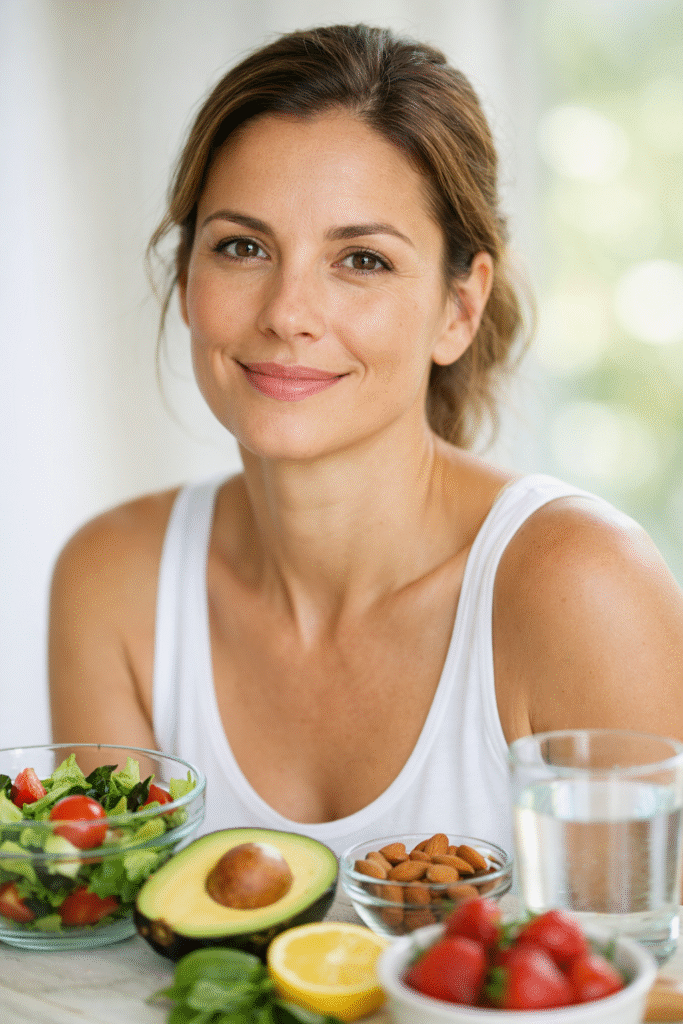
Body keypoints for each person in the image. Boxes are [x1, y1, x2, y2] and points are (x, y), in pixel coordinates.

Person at [48, 24, 683, 857]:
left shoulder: (582, 587)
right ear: (187, 275)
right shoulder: (114, 584)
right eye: (242, 247)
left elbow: (645, 939)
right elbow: (106, 931)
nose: (287, 313)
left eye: (362, 260)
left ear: (459, 309)